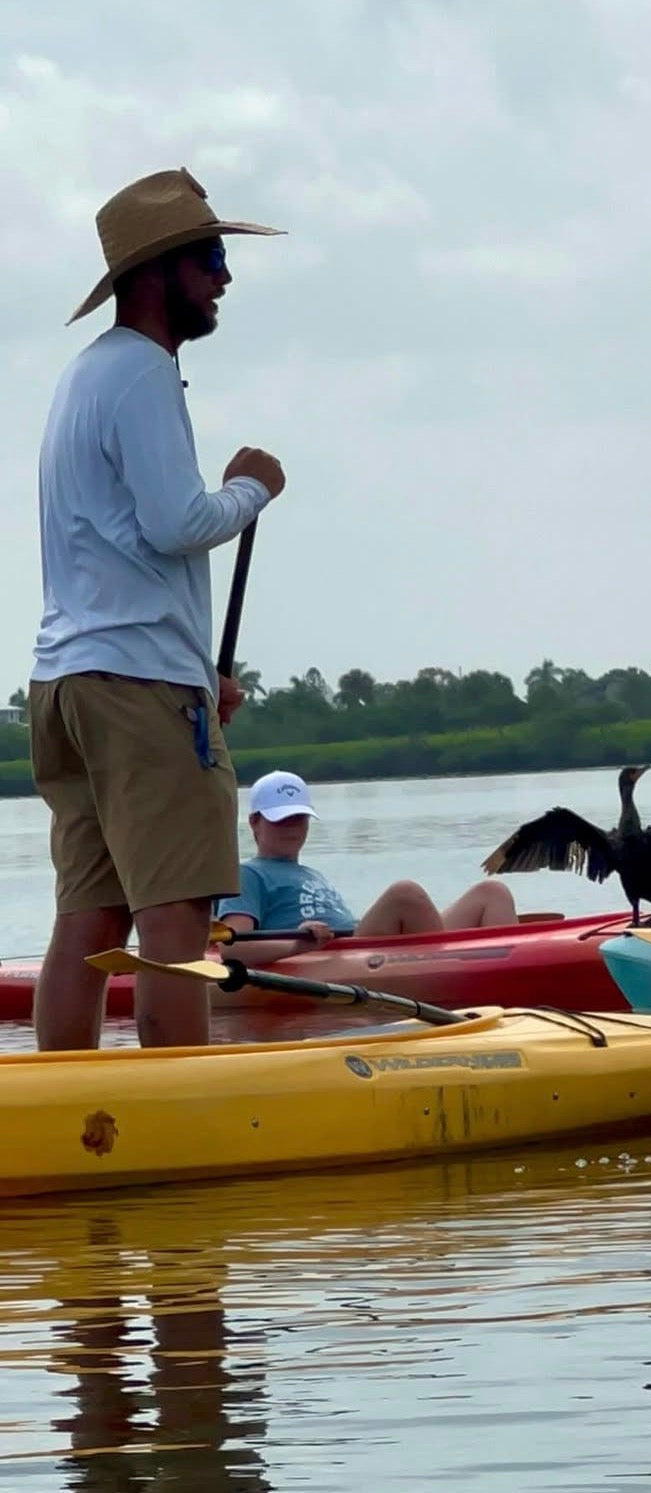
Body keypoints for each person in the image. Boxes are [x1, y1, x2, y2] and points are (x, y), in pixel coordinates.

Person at [28, 167, 286, 1050]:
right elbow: (177, 522)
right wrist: (251, 490)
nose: (224, 276)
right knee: (175, 923)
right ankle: (186, 1121)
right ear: (154, 275)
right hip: (137, 689)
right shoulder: (142, 372)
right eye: (209, 256)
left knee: (89, 925)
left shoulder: (84, 375)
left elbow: (120, 549)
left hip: (68, 685)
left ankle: (68, 1115)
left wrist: (192, 671)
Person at [216, 771, 518, 965]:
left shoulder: (310, 873)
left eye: (298, 817)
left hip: (357, 941)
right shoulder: (248, 874)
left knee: (492, 892)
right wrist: (296, 944)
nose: (292, 827)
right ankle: (464, 971)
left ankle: (516, 972)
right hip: (340, 954)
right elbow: (232, 948)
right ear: (255, 822)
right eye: (280, 819)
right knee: (405, 893)